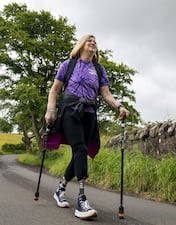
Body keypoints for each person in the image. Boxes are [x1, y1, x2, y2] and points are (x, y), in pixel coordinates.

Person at [45, 34, 130, 219]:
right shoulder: (69, 65)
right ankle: (81, 201)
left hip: (89, 113)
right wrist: (50, 110)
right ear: (81, 45)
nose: (92, 43)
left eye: (95, 42)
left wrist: (119, 106)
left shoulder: (99, 70)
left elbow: (106, 94)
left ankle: (60, 189)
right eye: (88, 41)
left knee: (79, 153)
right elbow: (54, 89)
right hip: (70, 110)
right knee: (80, 147)